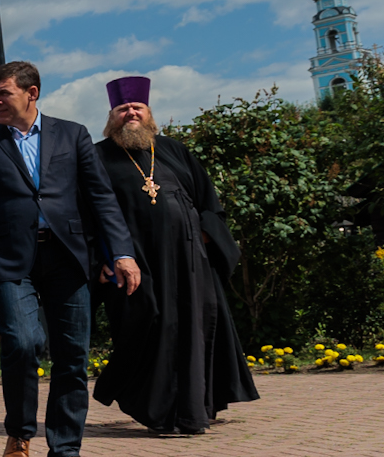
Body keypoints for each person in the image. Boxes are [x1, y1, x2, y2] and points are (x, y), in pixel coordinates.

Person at [0, 61, 140, 457]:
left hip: (67, 256)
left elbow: (100, 197)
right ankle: (19, 437)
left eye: (3, 93)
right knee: (21, 344)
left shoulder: (72, 134)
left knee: (73, 355)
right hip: (8, 261)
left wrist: (122, 253)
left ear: (32, 93)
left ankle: (64, 454)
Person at [92, 76, 260, 434]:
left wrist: (205, 234)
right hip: (137, 262)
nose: (130, 113)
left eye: (137, 107)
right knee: (153, 325)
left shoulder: (172, 149)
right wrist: (102, 256)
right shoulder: (96, 156)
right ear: (112, 116)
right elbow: (86, 211)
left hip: (189, 260)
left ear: (149, 113)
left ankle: (195, 407)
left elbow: (208, 200)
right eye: (123, 109)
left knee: (196, 327)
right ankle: (160, 411)